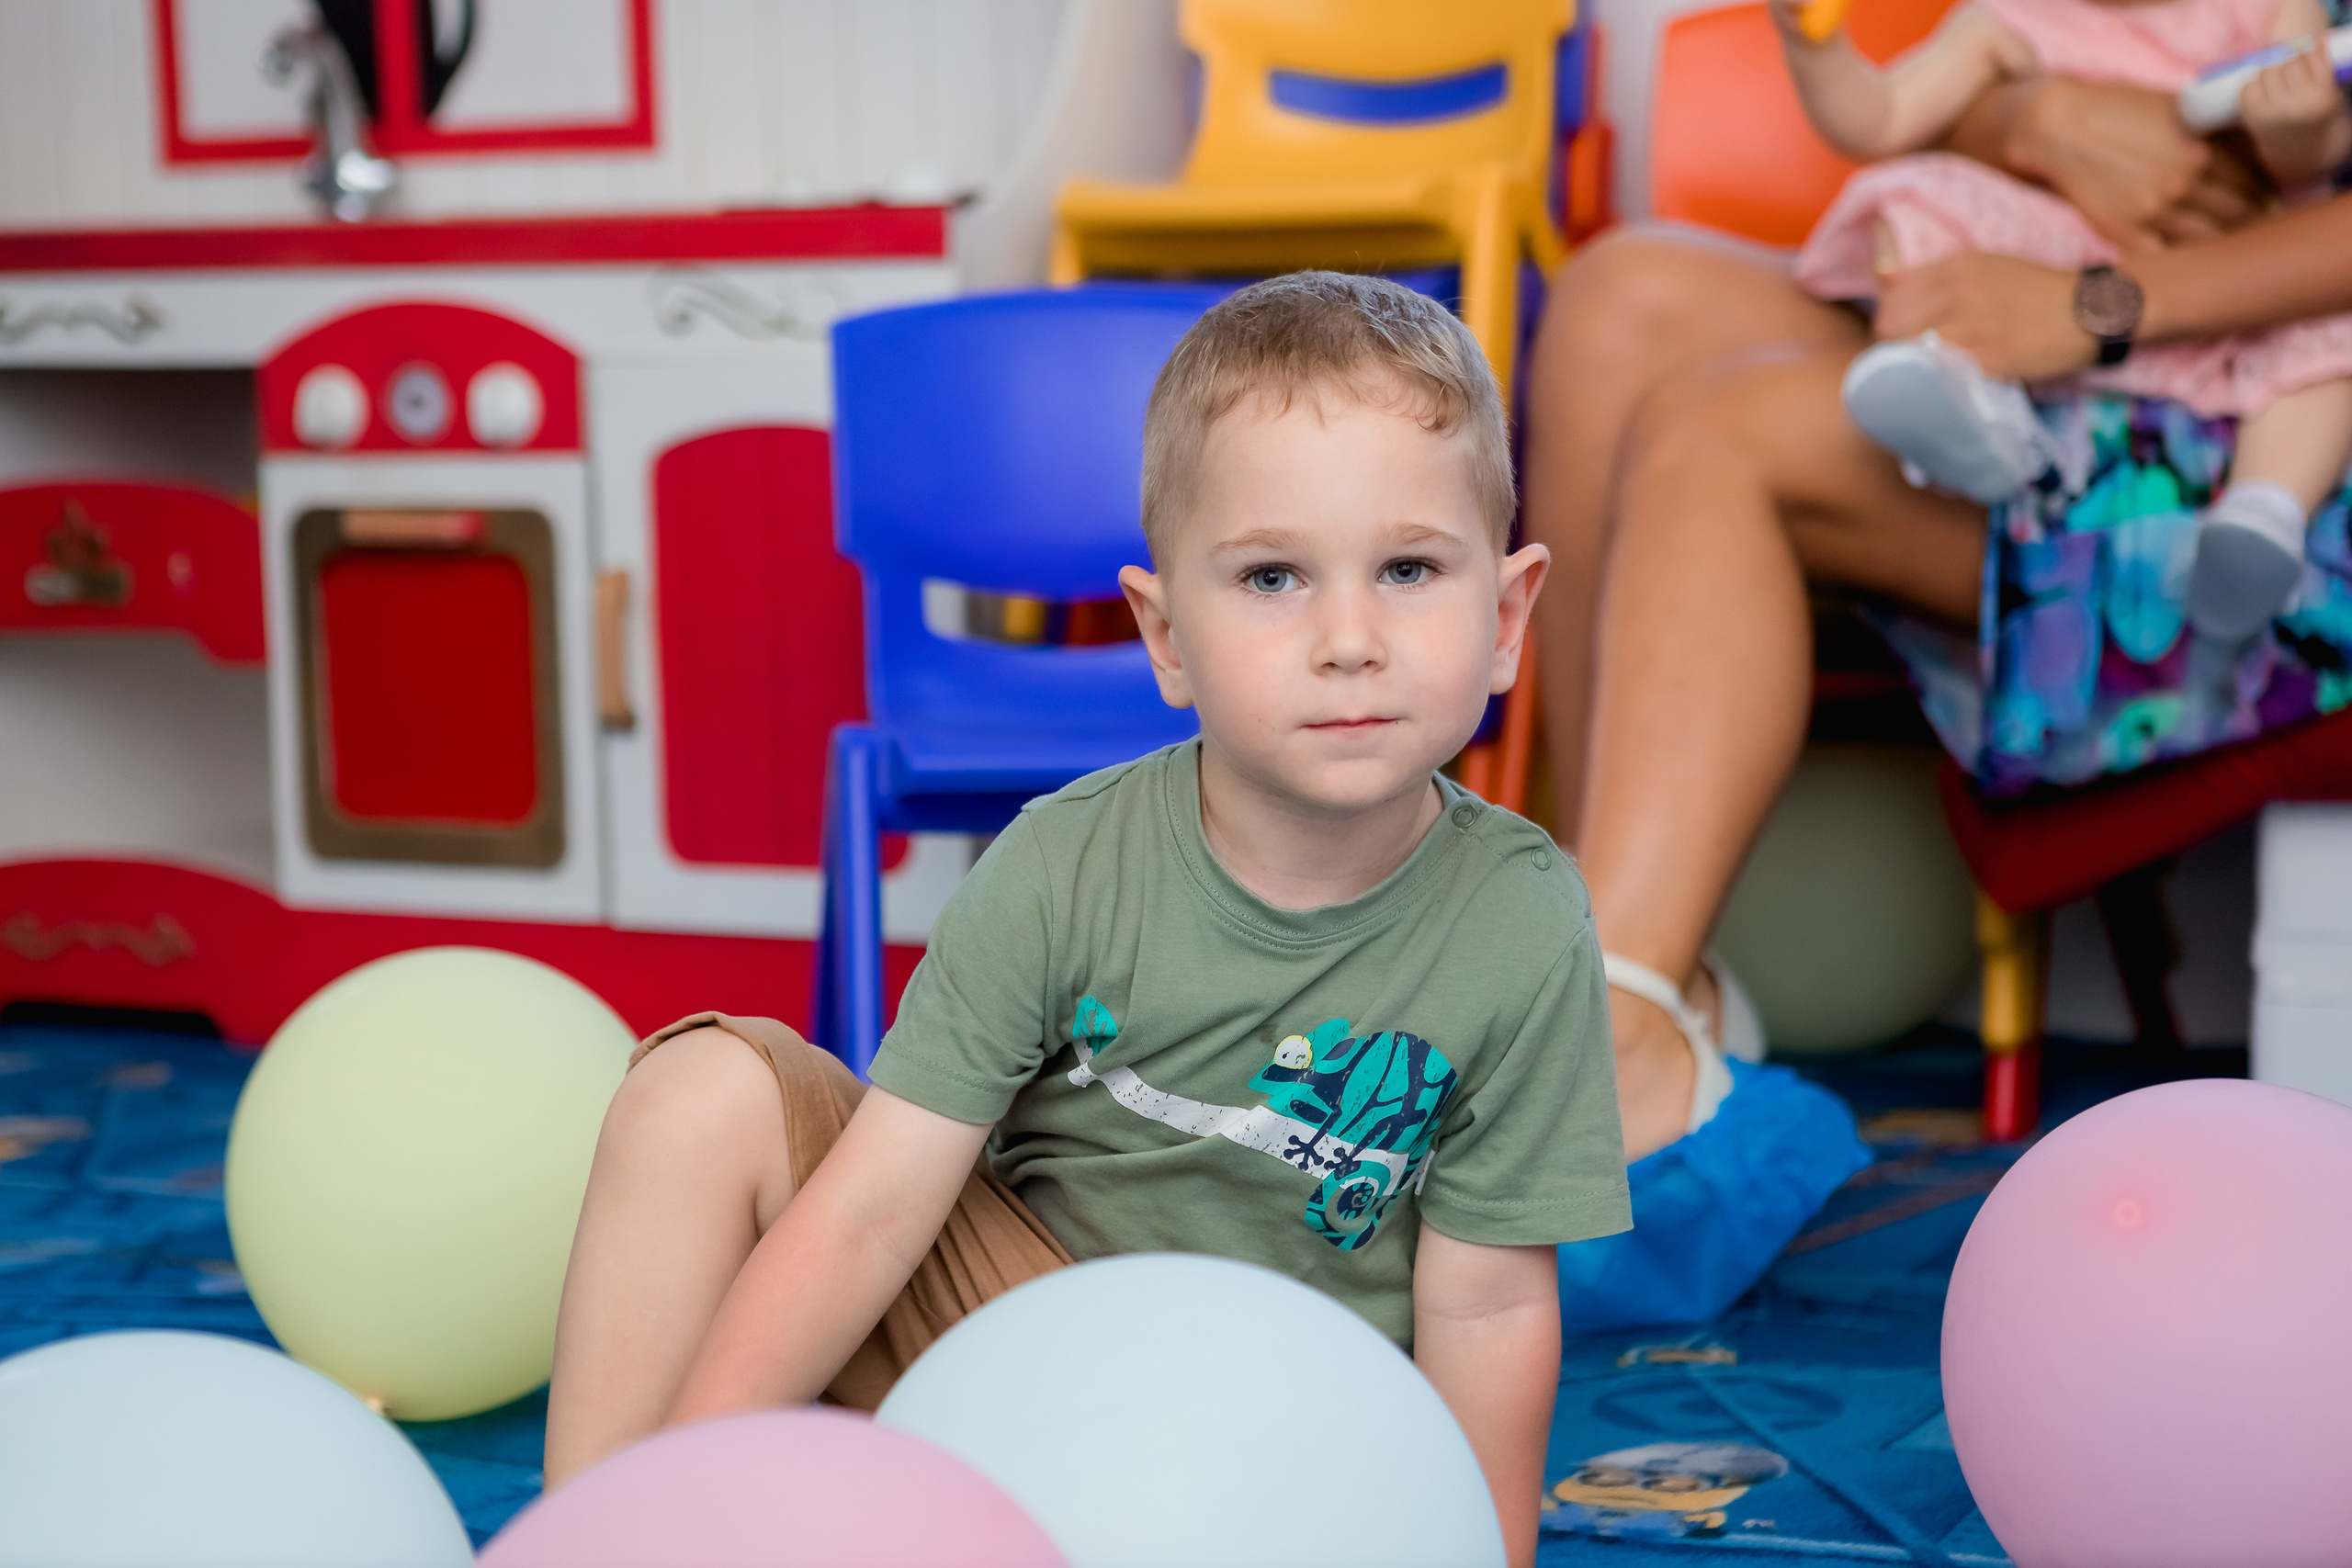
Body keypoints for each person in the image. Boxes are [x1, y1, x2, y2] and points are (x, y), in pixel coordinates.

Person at [546, 271, 1632, 1568]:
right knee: (701, 1089)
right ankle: (603, 1535)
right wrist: (702, 1488)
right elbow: (873, 1213)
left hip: (1281, 1452)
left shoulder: (1520, 915)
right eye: (1275, 575)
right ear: (1166, 637)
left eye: (1407, 568)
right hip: (1016, 1341)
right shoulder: (1064, 861)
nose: (1350, 637)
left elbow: (1493, 1296)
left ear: (1507, 616)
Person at [1520, 74, 2352, 1157]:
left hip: (2288, 431)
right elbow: (1960, 72)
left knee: (1718, 434)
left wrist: (2095, 303)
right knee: (1617, 305)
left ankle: (1612, 1059)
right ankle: (1601, 973)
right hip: (2110, 331)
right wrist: (2037, 120)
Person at [1778, 0, 2352, 640]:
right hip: (2059, 281)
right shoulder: (2013, 17)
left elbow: (2314, 163)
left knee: (2327, 338)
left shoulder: (2273, 7)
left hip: (2244, 279)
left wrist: (2297, 126)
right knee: (1921, 199)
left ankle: (2265, 509)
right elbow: (1882, 119)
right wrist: (1816, 49)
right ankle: (1971, 410)